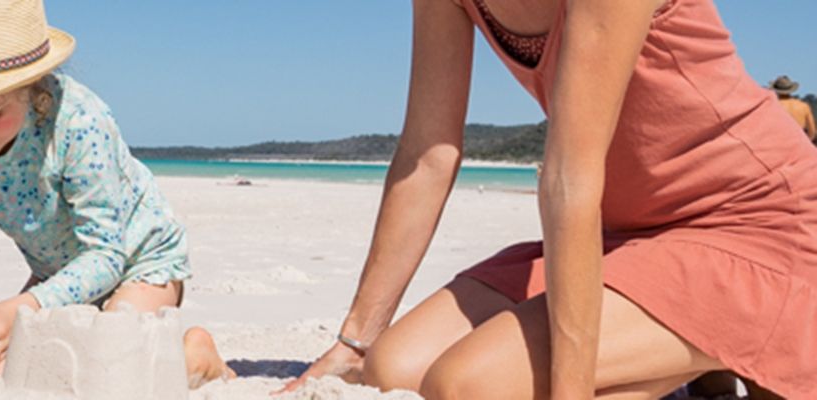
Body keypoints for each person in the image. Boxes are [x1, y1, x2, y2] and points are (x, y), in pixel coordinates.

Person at [283, 0, 816, 398]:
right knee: (393, 367)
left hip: (756, 222)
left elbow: (569, 177)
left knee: (470, 386)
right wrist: (353, 344)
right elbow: (428, 151)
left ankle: (723, 344)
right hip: (624, 237)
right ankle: (697, 354)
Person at [0, 0, 233, 387]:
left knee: (115, 367)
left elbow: (107, 255)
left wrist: (21, 308)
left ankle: (197, 357)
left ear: (33, 87)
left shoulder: (78, 122)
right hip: (58, 276)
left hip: (138, 261)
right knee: (1, 372)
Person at [771, 75, 817, 142]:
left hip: (778, 144)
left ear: (776, 90)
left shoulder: (773, 106)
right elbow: (812, 132)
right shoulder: (803, 106)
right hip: (799, 144)